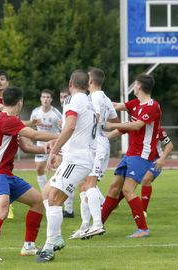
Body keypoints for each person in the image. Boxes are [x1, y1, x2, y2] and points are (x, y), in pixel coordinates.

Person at [0, 87, 59, 262]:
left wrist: (45, 148)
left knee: (37, 202)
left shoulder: (12, 121)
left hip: (6, 174)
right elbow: (35, 133)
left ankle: (29, 246)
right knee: (2, 210)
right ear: (20, 102)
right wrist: (63, 136)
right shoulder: (7, 120)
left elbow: (28, 147)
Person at [36, 70, 96, 263]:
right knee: (45, 194)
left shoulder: (73, 100)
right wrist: (57, 144)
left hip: (76, 160)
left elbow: (69, 127)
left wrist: (54, 151)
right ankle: (57, 237)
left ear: (70, 83)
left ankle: (48, 247)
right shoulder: (88, 101)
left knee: (53, 199)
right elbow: (74, 130)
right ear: (87, 85)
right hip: (78, 157)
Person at [101, 73, 161, 239]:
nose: (134, 87)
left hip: (142, 155)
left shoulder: (152, 106)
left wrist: (110, 125)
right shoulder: (135, 103)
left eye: (135, 84)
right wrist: (97, 100)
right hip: (130, 154)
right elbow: (116, 106)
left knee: (127, 190)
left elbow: (136, 125)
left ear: (139, 86)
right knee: (114, 187)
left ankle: (143, 229)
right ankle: (98, 225)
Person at [71, 67, 119, 239]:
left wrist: (98, 137)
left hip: (95, 144)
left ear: (90, 81)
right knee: (84, 184)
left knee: (90, 183)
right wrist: (105, 136)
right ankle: (85, 226)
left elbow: (95, 119)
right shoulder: (105, 98)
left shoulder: (96, 98)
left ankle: (97, 224)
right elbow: (116, 123)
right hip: (98, 142)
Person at [106, 127, 173, 217]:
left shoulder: (158, 130)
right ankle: (114, 203)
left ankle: (143, 211)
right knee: (127, 185)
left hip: (155, 160)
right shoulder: (135, 127)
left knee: (146, 179)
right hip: (140, 159)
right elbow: (120, 130)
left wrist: (162, 158)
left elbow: (169, 144)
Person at [26, 89, 62, 192]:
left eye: (48, 97)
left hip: (55, 145)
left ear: (51, 99)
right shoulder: (35, 112)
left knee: (57, 168)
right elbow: (31, 127)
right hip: (41, 145)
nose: (45, 99)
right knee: (39, 168)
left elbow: (63, 129)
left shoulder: (56, 114)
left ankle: (57, 192)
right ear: (40, 99)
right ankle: (45, 194)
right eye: (43, 97)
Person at [58, 87, 74, 218]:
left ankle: (103, 204)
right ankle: (68, 209)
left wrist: (55, 147)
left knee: (85, 184)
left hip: (73, 151)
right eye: (61, 97)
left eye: (65, 97)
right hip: (66, 149)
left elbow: (71, 129)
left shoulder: (71, 110)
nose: (63, 100)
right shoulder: (62, 112)